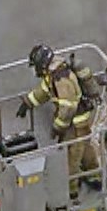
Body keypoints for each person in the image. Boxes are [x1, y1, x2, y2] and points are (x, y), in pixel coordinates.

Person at [20, 44, 99, 198]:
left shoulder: (61, 79)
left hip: (75, 124)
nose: (35, 70)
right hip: (77, 123)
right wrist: (28, 103)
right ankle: (94, 177)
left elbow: (68, 108)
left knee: (71, 158)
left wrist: (58, 127)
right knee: (85, 150)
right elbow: (44, 91)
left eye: (35, 66)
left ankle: (71, 193)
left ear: (42, 64)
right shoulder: (52, 75)